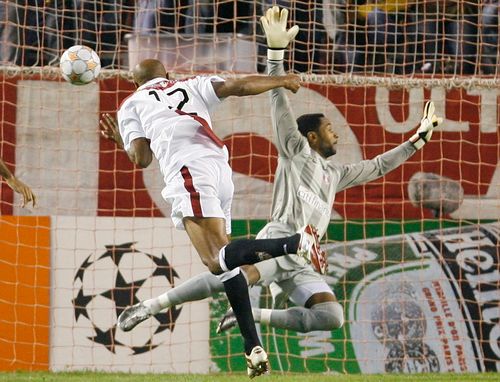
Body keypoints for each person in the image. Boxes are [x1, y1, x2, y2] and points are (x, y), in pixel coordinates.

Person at [115, 3, 444, 363]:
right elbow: (277, 101)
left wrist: (418, 140)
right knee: (224, 270)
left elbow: (379, 166)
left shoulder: (335, 175)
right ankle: (152, 305)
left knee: (330, 316)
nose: (337, 135)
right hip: (278, 240)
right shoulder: (294, 150)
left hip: (302, 260)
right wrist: (276, 58)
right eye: (330, 130)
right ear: (312, 138)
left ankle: (255, 315)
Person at [99, 58, 325, 378]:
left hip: (187, 169)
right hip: (218, 166)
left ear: (135, 84)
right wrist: (281, 80)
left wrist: (121, 142)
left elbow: (141, 158)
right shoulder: (189, 84)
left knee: (216, 260)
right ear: (168, 75)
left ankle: (295, 242)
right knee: (224, 263)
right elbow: (239, 86)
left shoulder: (131, 104)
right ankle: (252, 346)